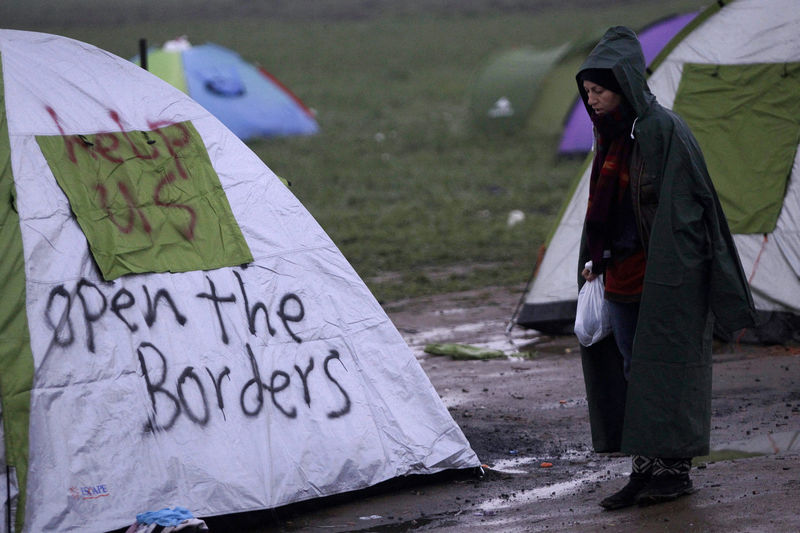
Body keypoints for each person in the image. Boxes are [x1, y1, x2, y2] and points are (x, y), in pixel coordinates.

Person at [575, 26, 757, 509]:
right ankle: (645, 468)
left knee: (669, 370)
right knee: (635, 368)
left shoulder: (664, 130)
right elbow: (603, 207)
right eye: (587, 92)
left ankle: (675, 471)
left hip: (666, 279)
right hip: (620, 276)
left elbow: (692, 206)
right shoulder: (609, 136)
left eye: (599, 90)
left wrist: (688, 273)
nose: (591, 100)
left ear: (624, 84)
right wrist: (595, 259)